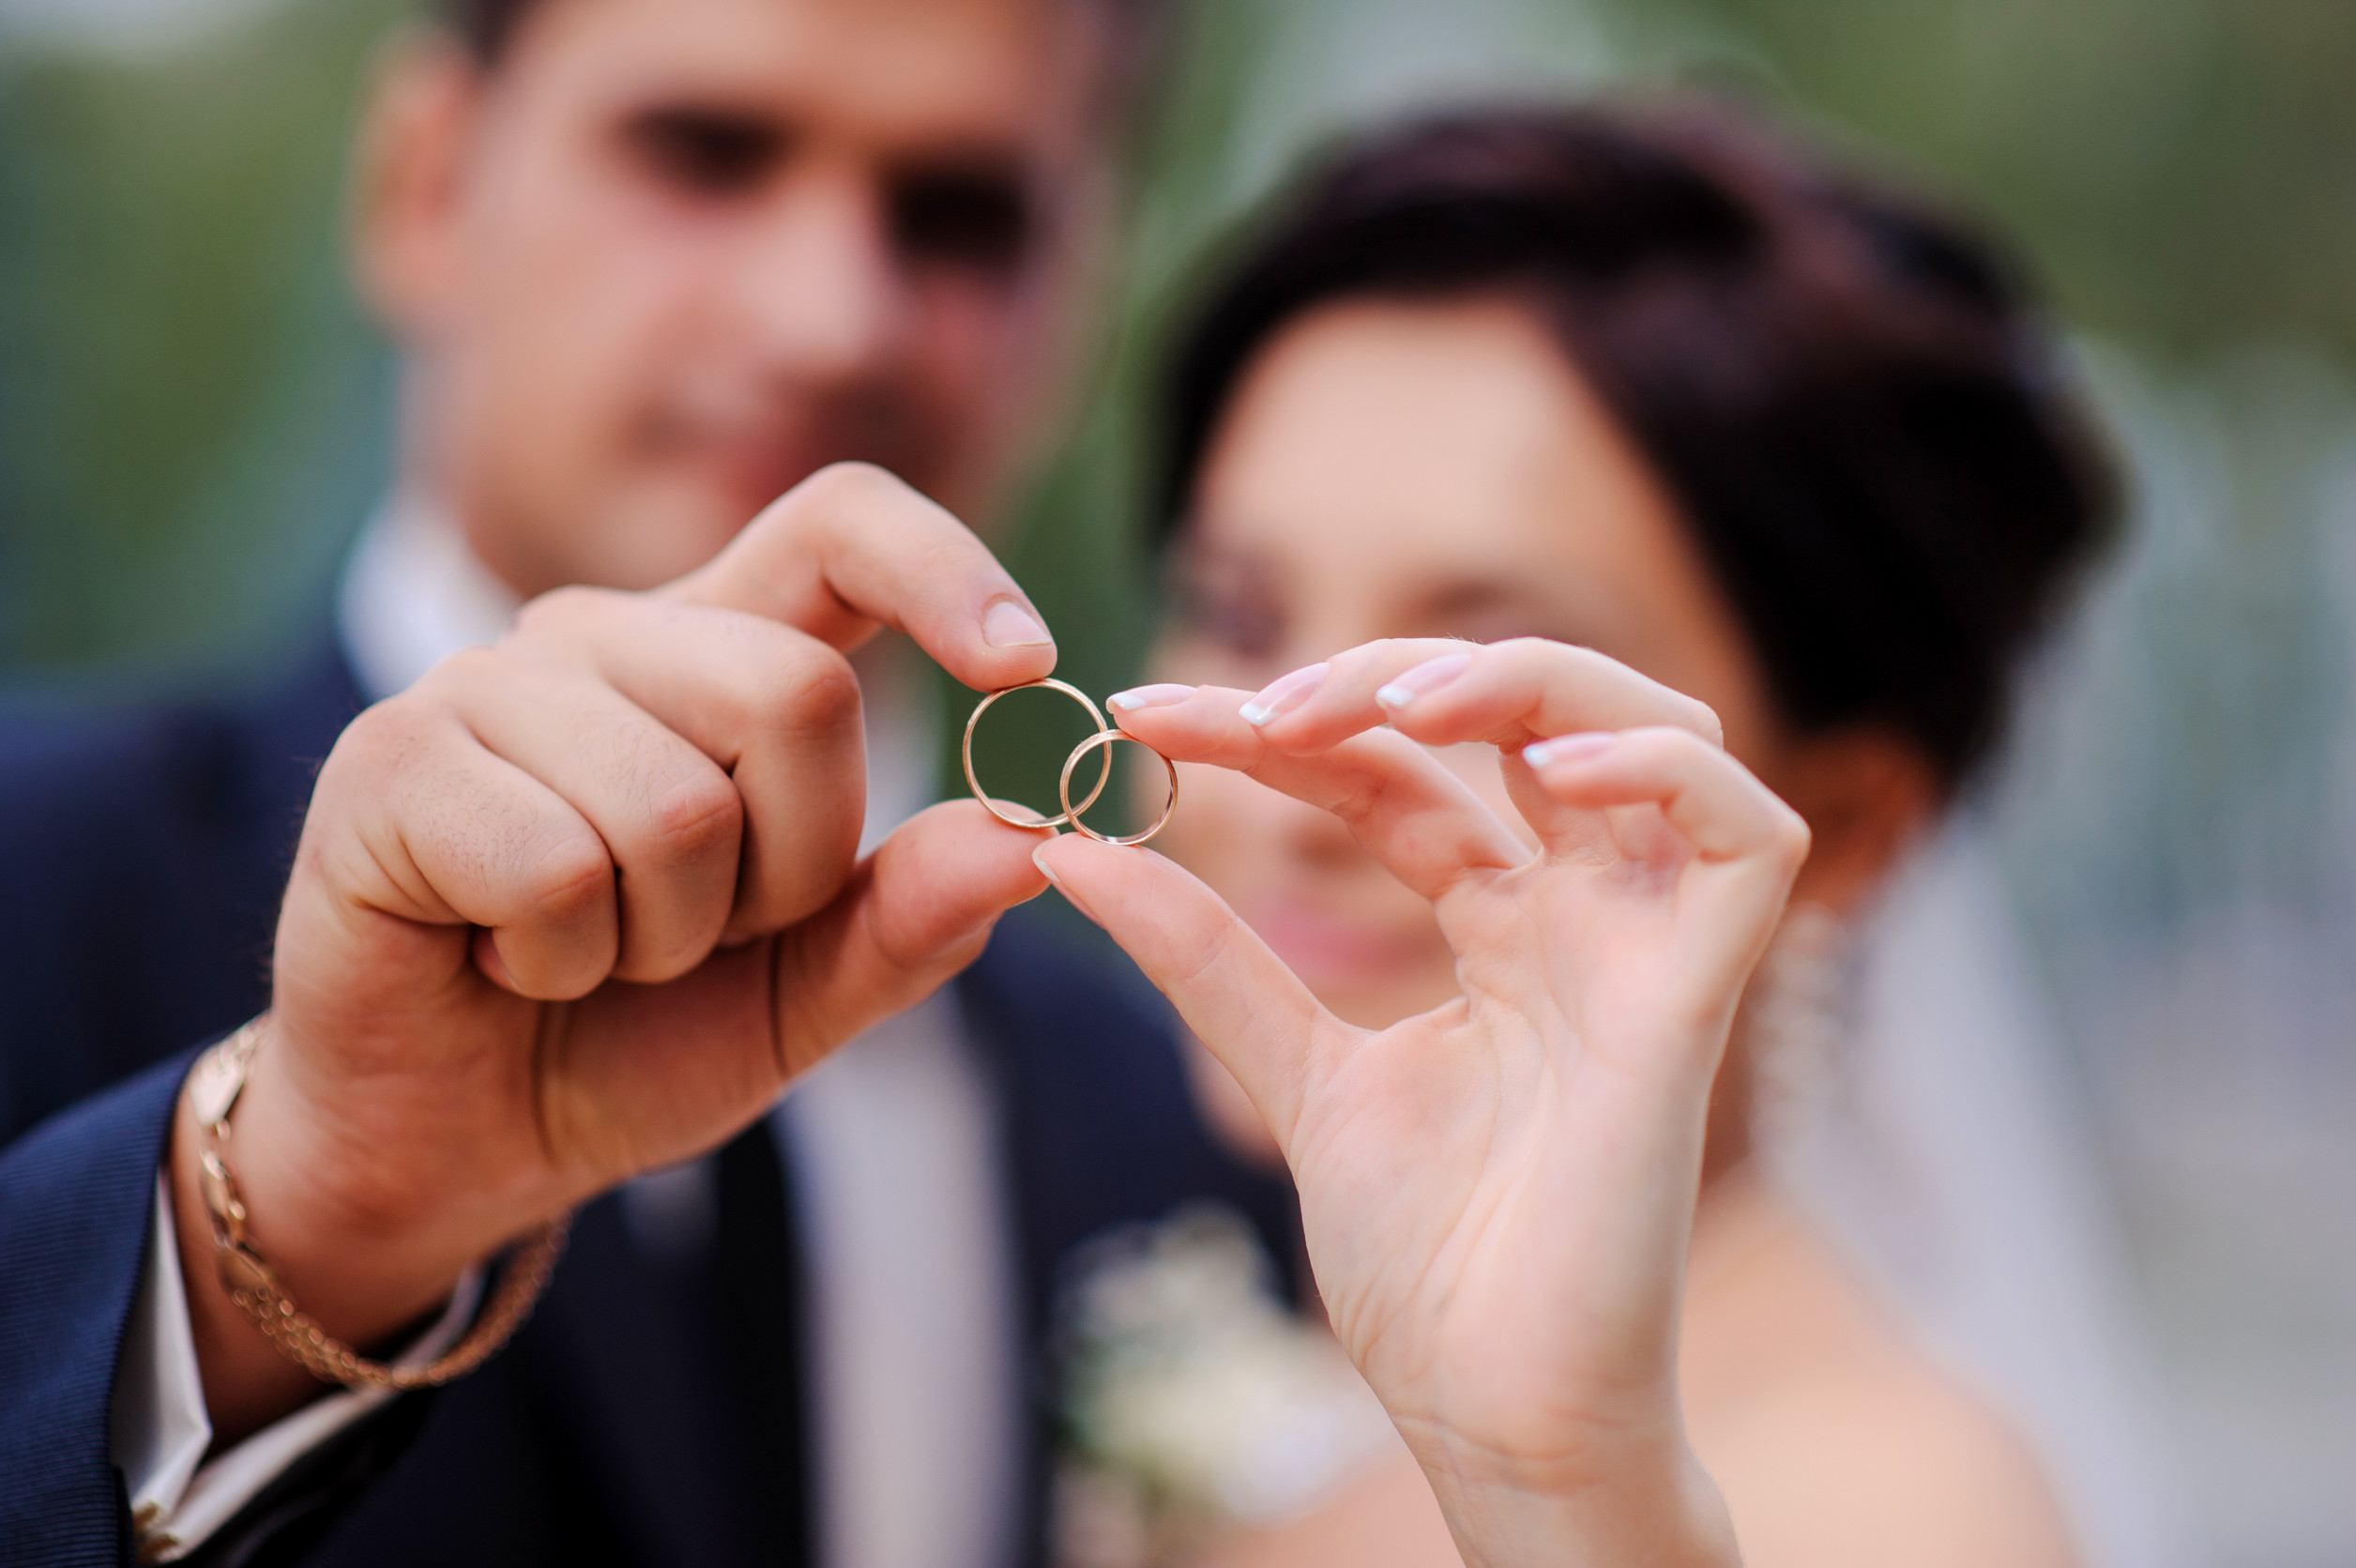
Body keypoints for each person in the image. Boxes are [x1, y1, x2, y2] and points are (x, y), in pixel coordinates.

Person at [0, 1, 1309, 1564]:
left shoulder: (1178, 1111)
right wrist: (298, 1220)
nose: (833, 317)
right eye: (705, 154)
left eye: (964, 216)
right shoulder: (37, 886)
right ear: (425, 182)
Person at [1099, 104, 2117, 1566]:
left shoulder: (1899, 1506)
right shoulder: (1227, 1311)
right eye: (1243, 618)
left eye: (1478, 685)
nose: (1279, 785)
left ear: (1841, 823)